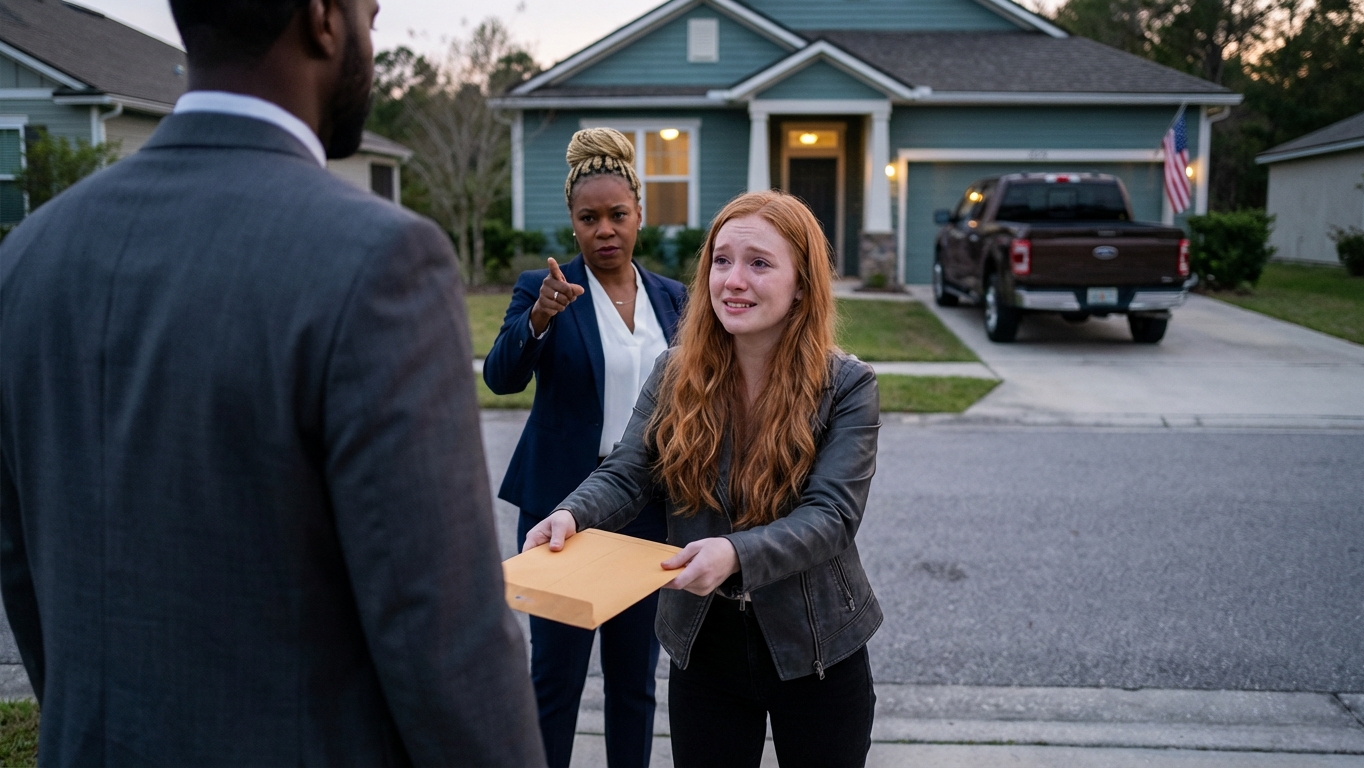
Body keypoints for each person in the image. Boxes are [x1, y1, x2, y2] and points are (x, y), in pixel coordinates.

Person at [0, 0, 543, 765]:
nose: (373, 35)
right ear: (323, 17)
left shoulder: (28, 255)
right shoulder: (378, 261)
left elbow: (24, 574)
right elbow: (448, 644)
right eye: (371, 14)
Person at [524, 190, 883, 768]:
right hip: (704, 644)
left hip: (817, 645)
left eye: (759, 263)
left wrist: (733, 554)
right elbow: (629, 470)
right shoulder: (675, 370)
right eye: (721, 261)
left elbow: (831, 517)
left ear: (803, 284)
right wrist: (572, 513)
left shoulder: (847, 385)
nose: (733, 281)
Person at [485, 127, 687, 768]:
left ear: (638, 216)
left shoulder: (672, 299)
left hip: (646, 512)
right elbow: (501, 377)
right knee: (556, 682)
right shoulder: (544, 290)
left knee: (634, 682)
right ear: (572, 224)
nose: (605, 229)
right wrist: (539, 318)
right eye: (589, 218)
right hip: (561, 510)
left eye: (617, 215)